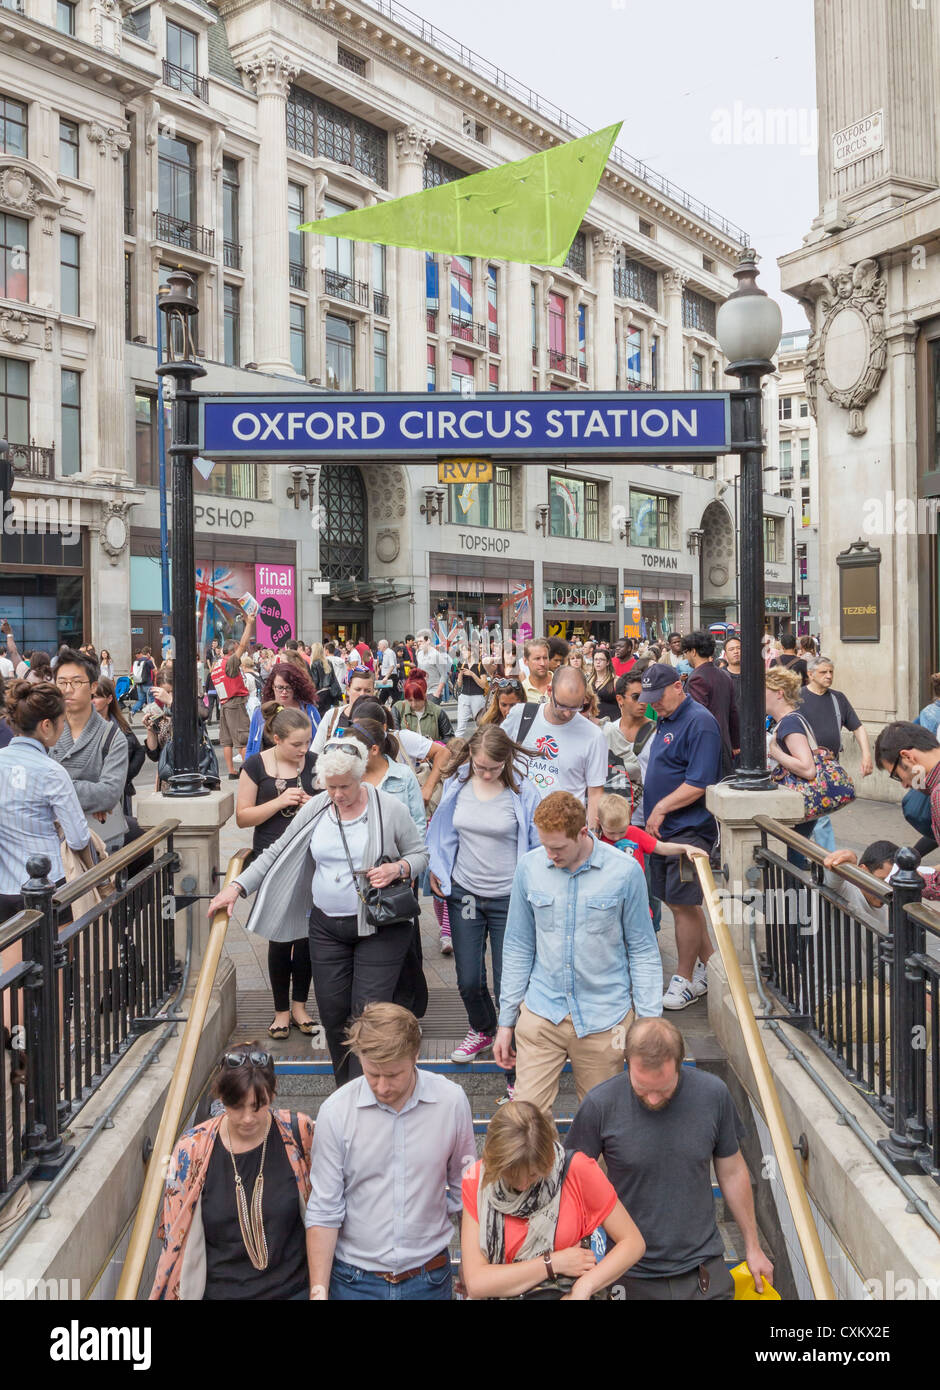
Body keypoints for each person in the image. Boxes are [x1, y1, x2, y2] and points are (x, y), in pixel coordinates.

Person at [209, 738, 428, 1087]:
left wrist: (397, 869)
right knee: (334, 1013)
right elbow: (275, 852)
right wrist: (236, 887)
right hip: (327, 928)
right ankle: (348, 1092)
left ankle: (366, 1096)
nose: (337, 794)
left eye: (345, 786)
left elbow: (420, 855)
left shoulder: (388, 808)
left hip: (380, 927)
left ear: (361, 778)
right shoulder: (318, 808)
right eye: (331, 786)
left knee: (368, 1015)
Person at [565, 1016, 773, 1301]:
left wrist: (753, 1246)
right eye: (641, 1087)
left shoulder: (713, 1095)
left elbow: (733, 1172)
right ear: (627, 1061)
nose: (652, 1099)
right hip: (629, 1273)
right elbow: (571, 1184)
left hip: (702, 1269)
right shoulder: (600, 1105)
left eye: (663, 1089)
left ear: (680, 1063)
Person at [493, 790, 661, 1113]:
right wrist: (505, 1021)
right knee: (527, 1123)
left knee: (601, 1127)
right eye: (544, 845)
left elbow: (642, 950)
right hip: (543, 1013)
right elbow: (517, 945)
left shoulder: (626, 872)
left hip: (605, 1018)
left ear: (584, 832)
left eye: (557, 848)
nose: (550, 855)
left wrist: (649, 1021)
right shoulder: (529, 868)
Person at [304, 1003, 474, 1301]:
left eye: (394, 1074)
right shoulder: (336, 1111)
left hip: (429, 1277)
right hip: (354, 1279)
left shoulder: (451, 1102)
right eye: (372, 1074)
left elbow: (466, 1192)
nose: (382, 1086)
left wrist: (472, 1269)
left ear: (415, 1056)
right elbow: (324, 1208)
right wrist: (319, 1289)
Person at [150, 1047, 315, 1301]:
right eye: (236, 1107)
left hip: (293, 1291)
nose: (247, 1118)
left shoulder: (300, 1132)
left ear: (272, 1094)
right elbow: (173, 1235)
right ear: (221, 1099)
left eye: (258, 1106)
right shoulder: (191, 1150)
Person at [427, 726, 540, 1072]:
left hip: (509, 898)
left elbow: (536, 843)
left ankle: (512, 1047)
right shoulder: (458, 784)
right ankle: (483, 1028)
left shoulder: (522, 789)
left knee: (509, 980)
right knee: (468, 978)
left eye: (493, 767)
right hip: (466, 893)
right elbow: (443, 831)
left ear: (506, 760)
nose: (486, 773)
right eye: (480, 766)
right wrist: (437, 867)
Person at [460, 1100, 646, 1300]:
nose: (523, 1185)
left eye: (533, 1175)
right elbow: (477, 1283)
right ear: (495, 1163)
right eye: (512, 1176)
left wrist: (585, 1286)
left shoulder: (576, 1170)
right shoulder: (479, 1180)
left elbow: (633, 1242)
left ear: (547, 1160)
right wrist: (552, 1263)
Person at [639, 663, 722, 1010]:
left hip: (689, 829)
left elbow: (699, 781)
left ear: (678, 685)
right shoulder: (667, 717)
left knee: (685, 904)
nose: (653, 704)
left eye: (658, 697)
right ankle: (713, 968)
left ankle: (685, 977)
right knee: (678, 903)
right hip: (667, 829)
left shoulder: (700, 722)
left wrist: (660, 808)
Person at [237, 707, 317, 1040]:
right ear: (277, 738)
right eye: (297, 744)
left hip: (311, 858)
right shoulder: (256, 765)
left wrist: (311, 802)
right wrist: (280, 800)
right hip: (272, 858)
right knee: (280, 936)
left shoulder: (314, 764)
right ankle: (281, 1010)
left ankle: (301, 1006)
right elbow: (243, 817)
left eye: (308, 742)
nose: (303, 750)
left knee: (308, 937)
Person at [0, 681, 91, 920]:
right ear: (46, 725)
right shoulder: (51, 771)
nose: (64, 726)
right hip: (50, 881)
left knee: (14, 956)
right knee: (57, 954)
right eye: (63, 721)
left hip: (5, 885)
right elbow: (79, 837)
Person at [500, 667, 608, 831]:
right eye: (562, 705)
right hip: (517, 824)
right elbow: (495, 754)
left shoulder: (593, 735)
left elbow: (595, 792)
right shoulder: (521, 715)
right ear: (550, 691)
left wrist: (593, 835)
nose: (567, 714)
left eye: (575, 707)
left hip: (564, 832)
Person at [51, 647, 129, 853]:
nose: (68, 689)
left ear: (93, 687)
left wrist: (55, 788)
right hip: (51, 843)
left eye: (76, 682)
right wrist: (90, 799)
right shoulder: (45, 730)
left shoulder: (112, 736)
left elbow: (109, 794)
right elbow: (32, 786)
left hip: (101, 844)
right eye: (62, 682)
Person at [799, 655, 871, 852]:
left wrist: (866, 755)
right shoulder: (797, 698)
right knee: (818, 816)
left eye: (831, 672)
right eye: (823, 672)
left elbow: (857, 727)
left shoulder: (837, 698)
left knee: (819, 815)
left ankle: (818, 858)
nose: (829, 676)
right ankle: (825, 860)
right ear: (810, 674)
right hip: (803, 767)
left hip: (829, 768)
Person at [681, 630, 740, 779]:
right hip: (725, 745)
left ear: (693, 651)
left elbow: (698, 716)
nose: (685, 656)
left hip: (707, 747)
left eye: (686, 652)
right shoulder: (724, 675)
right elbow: (733, 712)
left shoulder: (697, 678)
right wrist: (735, 743)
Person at [91, 675, 145, 818]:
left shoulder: (119, 723)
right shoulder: (86, 725)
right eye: (90, 696)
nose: (92, 701)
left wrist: (124, 775)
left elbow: (139, 752)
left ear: (109, 699)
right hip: (96, 795)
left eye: (96, 697)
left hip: (120, 793)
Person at [211, 616, 258, 779]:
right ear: (232, 652)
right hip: (235, 703)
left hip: (223, 704)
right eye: (238, 650)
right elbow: (244, 644)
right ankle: (251, 772)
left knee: (227, 740)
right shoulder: (230, 663)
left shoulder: (216, 664)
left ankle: (231, 771)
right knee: (242, 738)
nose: (242, 651)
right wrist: (250, 623)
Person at [244, 662, 320, 760]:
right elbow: (251, 746)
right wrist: (248, 770)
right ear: (272, 686)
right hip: (266, 770)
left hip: (300, 768)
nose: (284, 692)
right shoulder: (261, 712)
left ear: (295, 687)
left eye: (288, 687)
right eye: (280, 687)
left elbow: (319, 743)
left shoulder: (309, 710)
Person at [393, 674, 455, 743]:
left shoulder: (437, 712)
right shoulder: (398, 708)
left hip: (431, 753)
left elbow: (450, 739)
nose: (413, 704)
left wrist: (433, 744)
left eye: (418, 700)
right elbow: (394, 737)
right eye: (410, 700)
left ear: (425, 695)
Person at [453, 646, 489, 736]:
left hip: (477, 697)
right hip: (464, 696)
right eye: (462, 650)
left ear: (472, 652)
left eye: (465, 650)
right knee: (460, 727)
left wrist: (472, 674)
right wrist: (460, 675)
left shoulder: (480, 665)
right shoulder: (461, 664)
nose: (462, 652)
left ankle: (480, 746)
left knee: (481, 725)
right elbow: (460, 684)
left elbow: (483, 684)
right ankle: (455, 748)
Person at [414, 630, 450, 701]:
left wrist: (438, 692)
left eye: (421, 641)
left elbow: (444, 675)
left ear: (428, 641)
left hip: (434, 691)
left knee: (430, 711)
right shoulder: (419, 654)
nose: (418, 643)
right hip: (423, 691)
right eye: (417, 642)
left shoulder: (436, 655)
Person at [587, 647, 619, 723]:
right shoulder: (588, 680)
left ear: (607, 662)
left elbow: (622, 704)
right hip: (593, 720)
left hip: (612, 721)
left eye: (601, 659)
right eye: (596, 659)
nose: (598, 662)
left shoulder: (615, 680)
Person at [520, 637, 552, 703]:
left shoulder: (561, 683)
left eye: (545, 658)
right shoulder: (521, 691)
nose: (542, 663)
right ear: (525, 661)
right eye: (537, 659)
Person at [130, 646, 157, 713]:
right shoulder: (148, 661)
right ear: (148, 653)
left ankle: (132, 711)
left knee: (141, 700)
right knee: (151, 701)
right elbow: (155, 672)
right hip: (148, 684)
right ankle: (151, 716)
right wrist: (153, 661)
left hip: (139, 684)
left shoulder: (136, 661)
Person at [375, 639, 399, 707]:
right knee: (382, 697)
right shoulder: (385, 654)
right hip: (386, 677)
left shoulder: (389, 653)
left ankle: (393, 711)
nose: (378, 647)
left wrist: (386, 677)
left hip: (390, 677)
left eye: (379, 645)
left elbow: (392, 666)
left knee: (395, 697)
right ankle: (381, 710)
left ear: (384, 646)